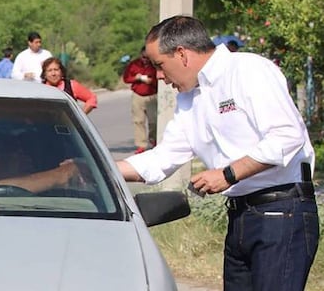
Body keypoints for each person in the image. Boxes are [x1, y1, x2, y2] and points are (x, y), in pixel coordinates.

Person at [117, 15, 319, 291]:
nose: (160, 77)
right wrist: (101, 169)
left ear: (182, 54)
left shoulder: (247, 70)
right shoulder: (189, 98)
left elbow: (287, 136)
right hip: (240, 217)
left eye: (159, 66)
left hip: (281, 213)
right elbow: (163, 158)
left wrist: (228, 174)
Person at [122, 46, 158, 154]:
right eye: (143, 57)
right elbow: (126, 78)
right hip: (138, 95)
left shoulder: (155, 65)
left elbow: (160, 80)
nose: (145, 59)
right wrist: (136, 78)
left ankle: (153, 140)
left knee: (153, 120)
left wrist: (150, 81)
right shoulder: (134, 64)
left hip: (152, 95)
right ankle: (141, 145)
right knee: (138, 121)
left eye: (147, 57)